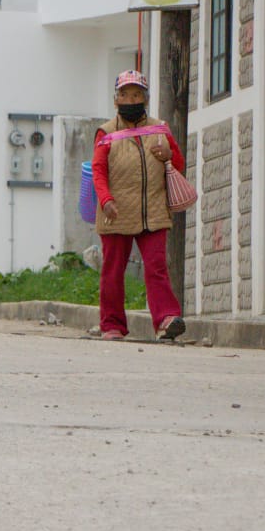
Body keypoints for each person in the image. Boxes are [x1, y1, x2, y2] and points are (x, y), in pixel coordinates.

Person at [91, 69, 186, 341]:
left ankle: (166, 319)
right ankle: (112, 325)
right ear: (116, 100)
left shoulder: (160, 129)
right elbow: (98, 171)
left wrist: (168, 155)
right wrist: (106, 200)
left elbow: (178, 164)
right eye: (125, 95)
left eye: (136, 95)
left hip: (153, 211)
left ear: (145, 99)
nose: (131, 100)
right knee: (113, 271)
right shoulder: (106, 133)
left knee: (156, 267)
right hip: (116, 213)